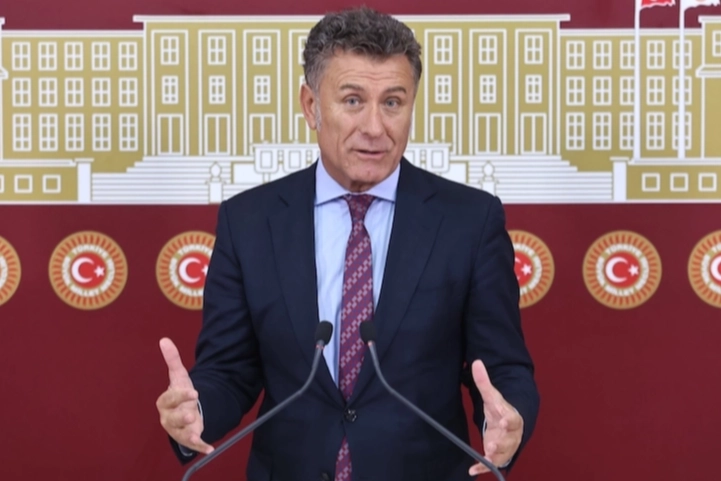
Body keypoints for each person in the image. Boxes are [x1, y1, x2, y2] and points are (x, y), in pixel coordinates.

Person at [156, 6, 540, 480]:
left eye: (393, 102)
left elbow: (503, 368)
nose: (375, 127)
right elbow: (229, 371)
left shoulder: (469, 221)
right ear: (311, 106)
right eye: (353, 100)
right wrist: (197, 411)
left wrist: (507, 417)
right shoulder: (250, 221)